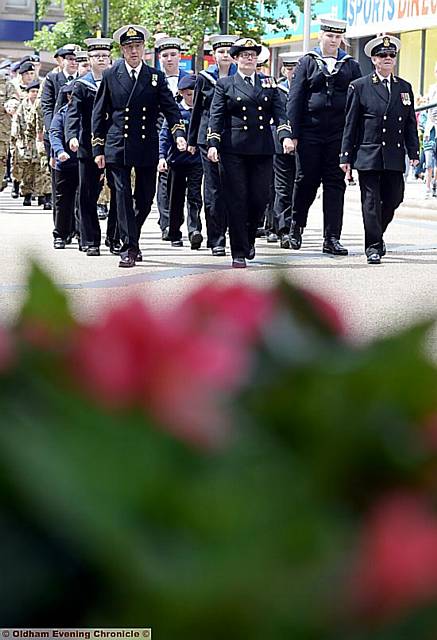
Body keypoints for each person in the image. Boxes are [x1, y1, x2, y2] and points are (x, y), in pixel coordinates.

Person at [91, 25, 187, 268]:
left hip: (146, 144)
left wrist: (178, 133)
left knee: (145, 198)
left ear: (144, 49)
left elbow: (170, 109)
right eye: (128, 47)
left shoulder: (155, 76)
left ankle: (128, 235)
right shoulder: (111, 75)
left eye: (137, 46)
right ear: (122, 50)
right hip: (117, 145)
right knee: (121, 197)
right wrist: (98, 149)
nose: (133, 51)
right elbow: (99, 113)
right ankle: (129, 247)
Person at [207, 37, 293, 268]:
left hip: (262, 148)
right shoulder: (225, 84)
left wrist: (285, 135)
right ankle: (238, 250)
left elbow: (281, 113)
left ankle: (249, 237)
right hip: (233, 149)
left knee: (259, 199)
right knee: (236, 200)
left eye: (253, 55)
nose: (249, 58)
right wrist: (213, 142)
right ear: (236, 59)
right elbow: (216, 116)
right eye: (244, 55)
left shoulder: (268, 84)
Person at [340, 34, 420, 264]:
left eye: (391, 55)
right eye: (382, 55)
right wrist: (345, 156)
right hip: (368, 153)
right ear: (374, 60)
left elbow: (409, 124)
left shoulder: (404, 87)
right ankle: (373, 246)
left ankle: (378, 233)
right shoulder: (359, 86)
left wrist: (413, 152)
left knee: (395, 197)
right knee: (371, 202)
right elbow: (350, 124)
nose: (387, 58)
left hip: (394, 154)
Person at [287, 17, 361, 254]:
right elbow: (295, 99)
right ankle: (295, 228)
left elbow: (357, 104)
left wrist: (353, 139)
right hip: (310, 133)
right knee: (305, 182)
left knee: (335, 185)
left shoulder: (351, 65)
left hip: (338, 135)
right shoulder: (307, 62)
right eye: (330, 36)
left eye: (338, 37)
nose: (333, 41)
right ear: (321, 36)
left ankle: (331, 237)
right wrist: (293, 133)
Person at [66, 37, 119, 256]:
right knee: (87, 194)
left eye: (105, 56)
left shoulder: (118, 81)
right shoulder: (82, 84)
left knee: (118, 193)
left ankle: (115, 238)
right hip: (88, 146)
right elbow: (73, 114)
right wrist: (71, 136)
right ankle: (90, 240)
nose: (101, 60)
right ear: (89, 59)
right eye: (97, 56)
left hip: (115, 144)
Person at [187, 33, 238, 255]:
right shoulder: (204, 78)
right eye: (221, 51)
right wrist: (191, 140)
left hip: (235, 140)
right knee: (213, 190)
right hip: (207, 139)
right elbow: (197, 109)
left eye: (228, 51)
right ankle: (216, 239)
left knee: (235, 189)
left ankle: (236, 235)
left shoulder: (242, 76)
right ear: (214, 55)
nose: (225, 55)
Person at [159, 74, 203, 248]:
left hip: (196, 161)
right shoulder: (175, 112)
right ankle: (175, 232)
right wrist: (161, 157)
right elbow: (164, 137)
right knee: (175, 198)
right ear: (182, 93)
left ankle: (194, 231)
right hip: (176, 162)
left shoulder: (201, 113)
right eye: (189, 94)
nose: (192, 98)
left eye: (195, 94)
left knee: (194, 197)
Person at [155, 36, 190, 241]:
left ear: (180, 57)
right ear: (160, 58)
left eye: (173, 55)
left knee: (182, 186)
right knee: (164, 183)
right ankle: (166, 222)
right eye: (165, 55)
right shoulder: (154, 78)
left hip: (183, 138)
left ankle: (178, 224)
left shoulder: (191, 78)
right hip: (159, 134)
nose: (169, 59)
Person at [271, 51, 302, 248]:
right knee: (282, 188)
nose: (293, 72)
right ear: (284, 70)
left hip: (303, 145)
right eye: (290, 69)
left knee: (300, 188)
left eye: (297, 68)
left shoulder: (308, 90)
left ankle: (296, 228)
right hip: (280, 144)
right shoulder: (277, 90)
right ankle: (283, 229)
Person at [49, 82, 79, 248]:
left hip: (83, 163)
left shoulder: (88, 113)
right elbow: (55, 134)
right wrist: (59, 152)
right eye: (72, 95)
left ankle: (84, 235)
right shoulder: (61, 114)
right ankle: (61, 234)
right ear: (68, 97)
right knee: (63, 201)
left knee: (84, 201)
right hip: (65, 163)